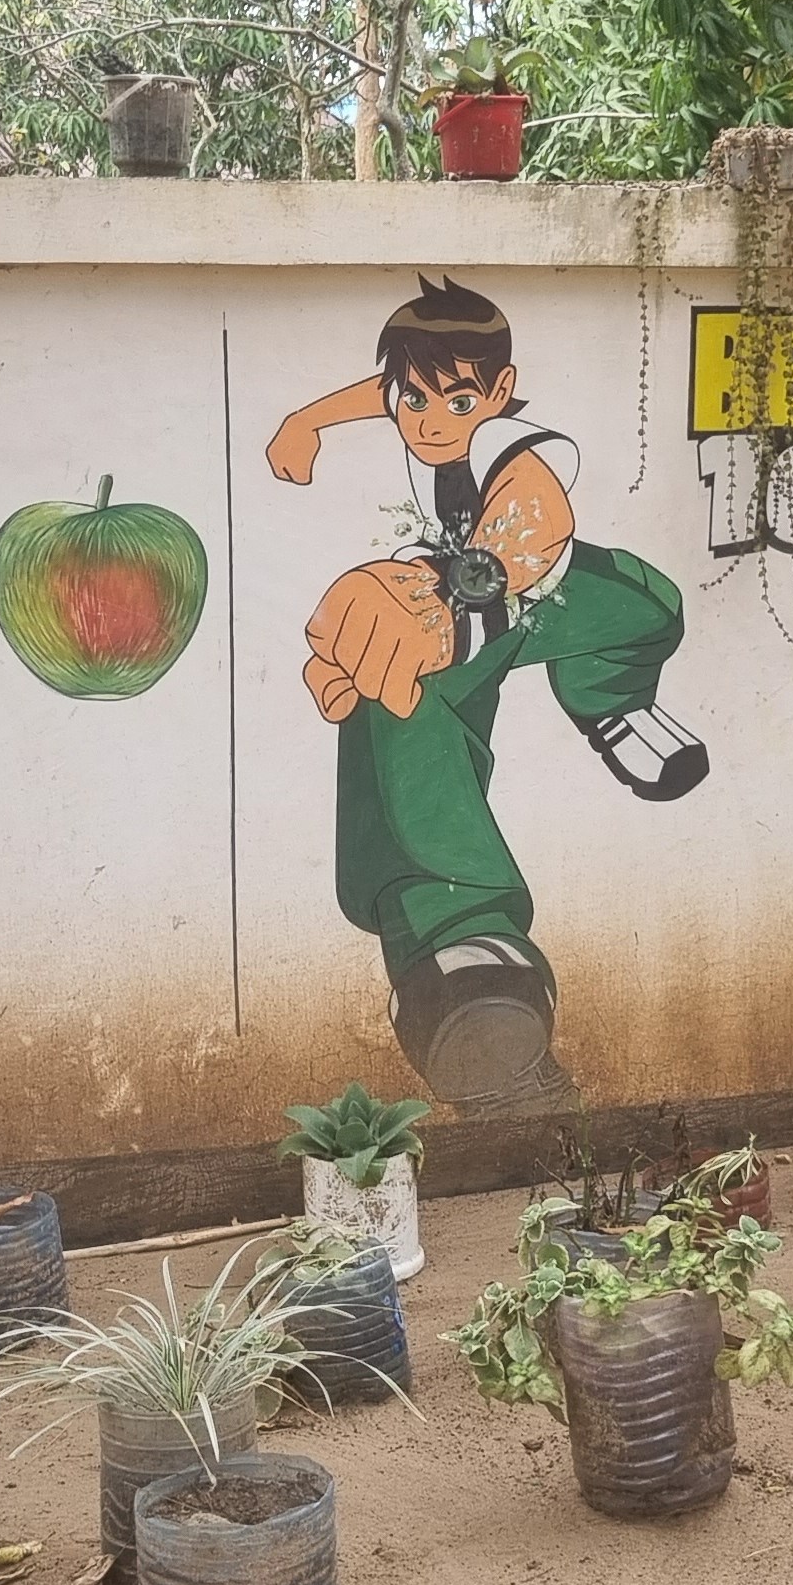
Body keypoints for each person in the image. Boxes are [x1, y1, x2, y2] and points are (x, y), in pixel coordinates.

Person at [266, 274, 707, 1104]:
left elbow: (535, 523)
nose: (430, 423)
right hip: (468, 615)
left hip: (554, 596)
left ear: (499, 393)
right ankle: (458, 952)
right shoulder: (412, 401)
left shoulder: (513, 442)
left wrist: (455, 591)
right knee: (393, 691)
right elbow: (378, 392)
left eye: (458, 402)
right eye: (414, 401)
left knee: (651, 609)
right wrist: (307, 421)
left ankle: (610, 704)